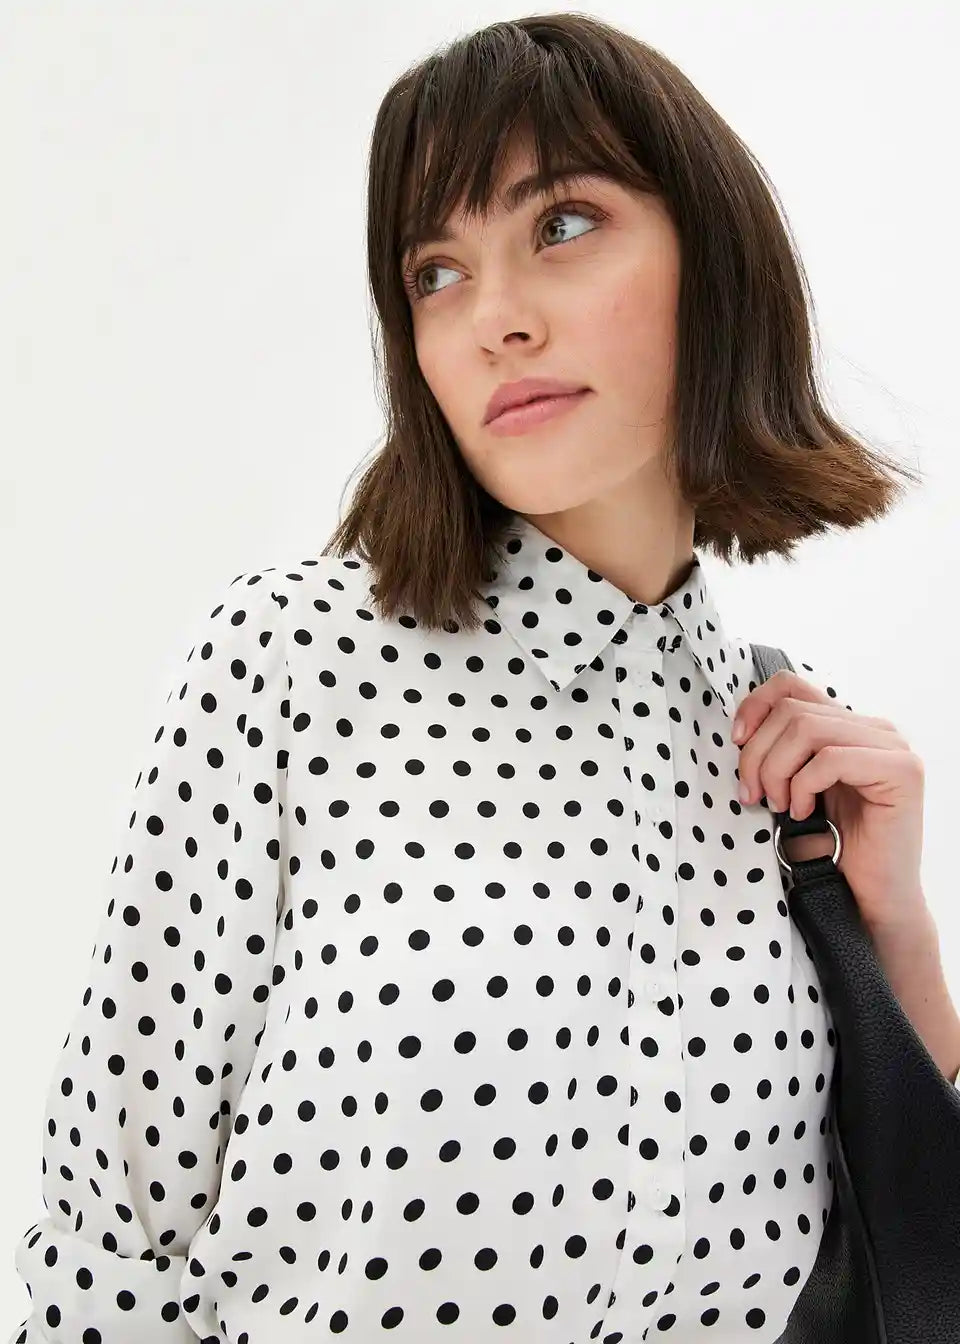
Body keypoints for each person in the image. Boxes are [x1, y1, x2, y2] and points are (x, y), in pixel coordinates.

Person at [9, 13, 926, 1344]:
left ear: (715, 258)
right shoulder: (289, 663)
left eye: (563, 223)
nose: (496, 319)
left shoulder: (785, 757)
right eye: (435, 272)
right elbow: (107, 1250)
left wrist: (894, 934)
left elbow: (912, 1261)